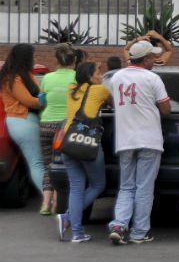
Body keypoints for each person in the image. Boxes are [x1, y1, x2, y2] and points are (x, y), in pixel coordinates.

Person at [108, 40, 171, 245]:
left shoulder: (116, 77)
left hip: (125, 139)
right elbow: (165, 109)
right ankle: (139, 233)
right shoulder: (153, 78)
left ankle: (119, 224)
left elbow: (112, 102)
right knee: (144, 187)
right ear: (144, 59)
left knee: (126, 186)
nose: (155, 59)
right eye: (152, 57)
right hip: (149, 138)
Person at [55, 62, 110, 243]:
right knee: (97, 185)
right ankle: (69, 219)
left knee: (76, 187)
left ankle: (77, 232)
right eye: (98, 72)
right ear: (89, 76)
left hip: (69, 143)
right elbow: (112, 103)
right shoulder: (100, 91)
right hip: (88, 144)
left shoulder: (71, 89)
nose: (101, 76)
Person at [0, 44, 46, 195]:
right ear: (25, 58)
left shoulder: (27, 75)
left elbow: (39, 95)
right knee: (37, 163)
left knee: (39, 162)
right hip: (21, 121)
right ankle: (51, 202)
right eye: (33, 56)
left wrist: (42, 97)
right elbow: (30, 101)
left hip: (28, 122)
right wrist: (45, 100)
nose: (35, 58)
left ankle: (50, 199)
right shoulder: (11, 78)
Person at [38, 43, 76, 216]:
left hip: (46, 123)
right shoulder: (77, 77)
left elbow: (41, 102)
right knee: (63, 166)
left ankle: (45, 204)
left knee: (48, 166)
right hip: (66, 127)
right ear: (74, 60)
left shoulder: (47, 78)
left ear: (56, 59)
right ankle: (57, 204)